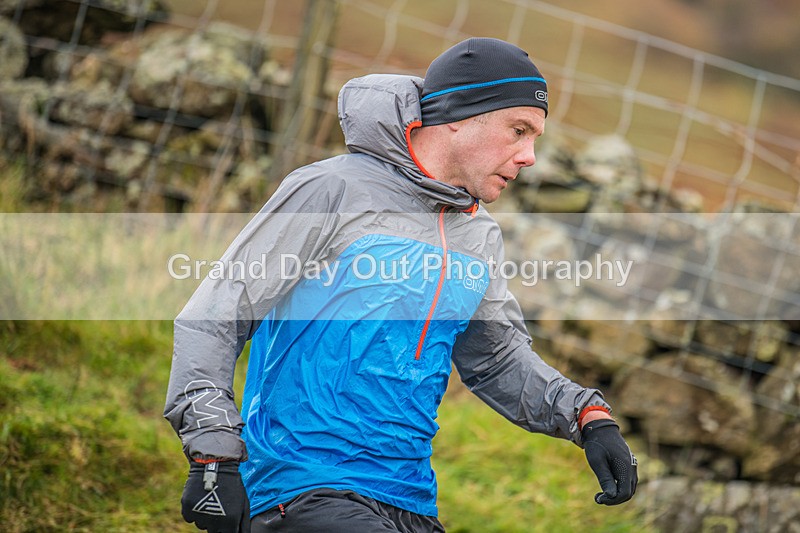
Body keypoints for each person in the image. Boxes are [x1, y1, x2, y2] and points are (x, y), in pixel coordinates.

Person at [165, 37, 638, 533]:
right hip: (300, 487)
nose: (530, 156)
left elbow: (496, 359)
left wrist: (587, 417)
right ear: (458, 115)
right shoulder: (332, 189)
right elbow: (217, 312)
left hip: (409, 499)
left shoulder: (476, 234)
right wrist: (213, 451)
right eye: (518, 131)